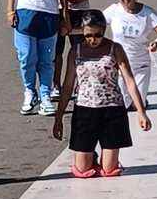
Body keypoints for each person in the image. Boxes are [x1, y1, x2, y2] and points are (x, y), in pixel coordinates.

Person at [52, 10, 151, 178]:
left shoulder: (115, 49)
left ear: (104, 30)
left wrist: (142, 113)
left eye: (97, 35)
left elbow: (129, 81)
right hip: (85, 109)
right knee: (83, 171)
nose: (92, 40)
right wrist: (59, 117)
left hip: (111, 110)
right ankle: (90, 157)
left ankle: (105, 158)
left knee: (109, 170)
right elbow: (68, 85)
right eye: (88, 35)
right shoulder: (76, 51)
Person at [103, 0, 157, 109]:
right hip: (120, 64)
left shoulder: (148, 13)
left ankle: (143, 100)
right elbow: (95, 25)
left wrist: (156, 42)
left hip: (140, 65)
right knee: (123, 105)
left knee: (137, 105)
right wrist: (72, 30)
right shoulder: (114, 10)